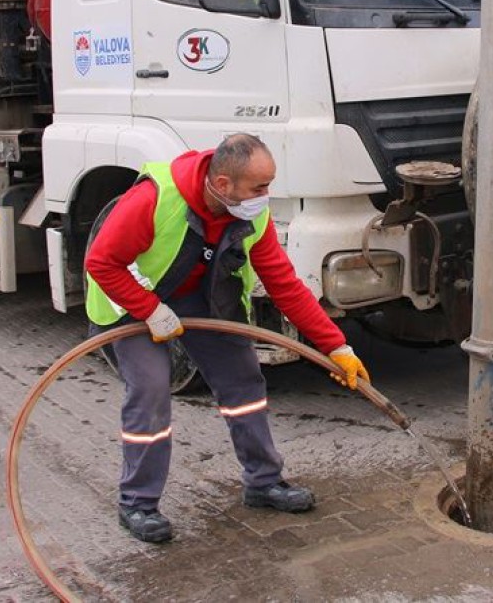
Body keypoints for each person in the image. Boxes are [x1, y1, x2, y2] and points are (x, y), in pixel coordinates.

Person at [84, 133, 370, 544]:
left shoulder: (251, 213)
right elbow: (101, 262)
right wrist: (149, 309)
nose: (265, 197)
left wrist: (336, 346)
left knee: (243, 381)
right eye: (258, 187)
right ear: (222, 184)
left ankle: (263, 482)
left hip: (200, 297)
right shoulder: (154, 198)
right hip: (132, 297)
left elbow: (285, 285)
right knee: (150, 390)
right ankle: (138, 503)